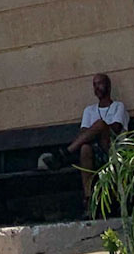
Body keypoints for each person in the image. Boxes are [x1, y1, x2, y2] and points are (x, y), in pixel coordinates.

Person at [38, 73, 129, 212]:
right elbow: (83, 134)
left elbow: (116, 128)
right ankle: (89, 200)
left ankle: (64, 154)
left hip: (112, 149)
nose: (97, 87)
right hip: (94, 151)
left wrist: (98, 128)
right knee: (85, 148)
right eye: (94, 85)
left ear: (108, 86)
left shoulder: (118, 106)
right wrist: (94, 132)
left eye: (100, 83)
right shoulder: (89, 110)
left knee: (100, 124)